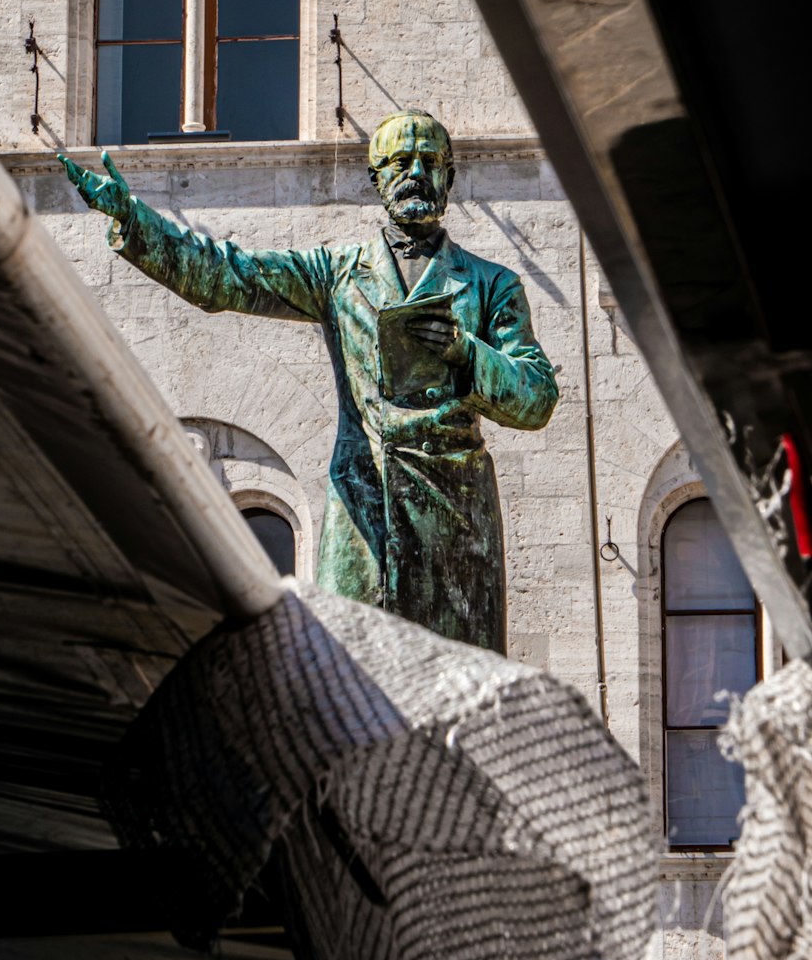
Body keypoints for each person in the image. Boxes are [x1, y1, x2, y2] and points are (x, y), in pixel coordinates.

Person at [60, 109, 557, 651]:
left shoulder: (492, 285)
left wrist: (467, 353)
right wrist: (135, 222)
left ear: (450, 175)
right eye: (399, 161)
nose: (415, 172)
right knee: (356, 684)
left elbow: (536, 398)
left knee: (462, 692)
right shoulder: (336, 272)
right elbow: (231, 276)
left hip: (454, 518)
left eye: (429, 160)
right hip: (365, 507)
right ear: (376, 178)